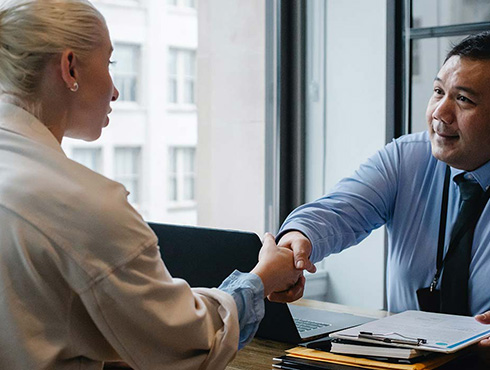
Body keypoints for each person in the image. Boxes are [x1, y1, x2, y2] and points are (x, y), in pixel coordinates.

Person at [0, 0, 303, 369]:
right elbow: (187, 343)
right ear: (69, 67)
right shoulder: (83, 204)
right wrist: (263, 278)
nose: (114, 91)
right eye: (109, 63)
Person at [276, 31, 490, 356]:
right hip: (403, 363)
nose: (439, 113)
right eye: (437, 92)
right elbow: (336, 212)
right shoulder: (408, 158)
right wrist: (298, 239)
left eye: (463, 100)